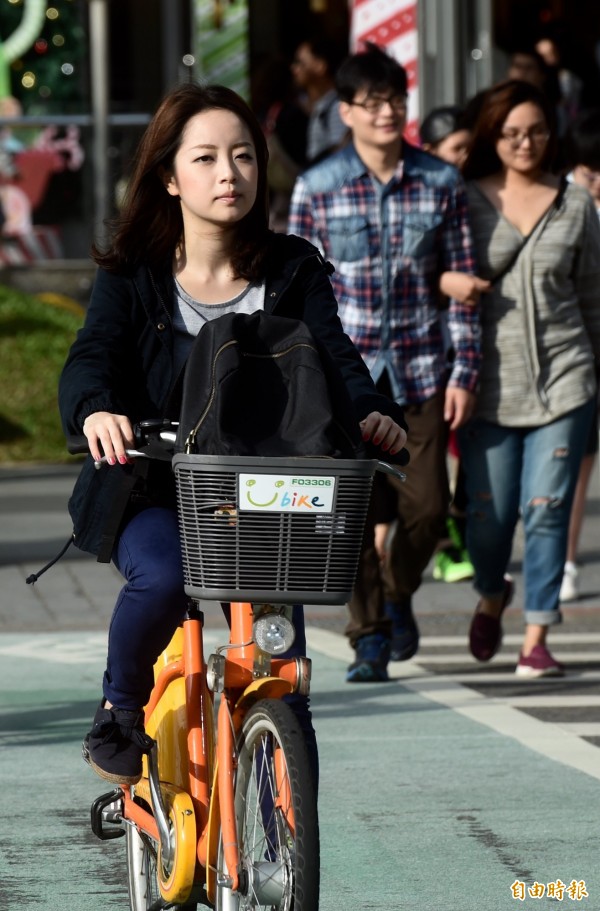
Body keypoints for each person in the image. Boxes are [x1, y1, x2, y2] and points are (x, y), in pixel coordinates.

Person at [58, 82, 408, 785]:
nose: (229, 174)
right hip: (156, 487)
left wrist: (372, 411)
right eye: (208, 157)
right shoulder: (133, 273)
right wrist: (96, 407)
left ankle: (283, 783)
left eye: (244, 156)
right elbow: (92, 354)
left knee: (282, 666)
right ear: (168, 175)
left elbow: (334, 355)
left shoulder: (293, 268)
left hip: (267, 495)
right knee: (164, 578)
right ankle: (120, 708)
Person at [288, 43, 485, 683]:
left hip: (424, 367)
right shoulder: (316, 187)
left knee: (428, 507)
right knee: (345, 514)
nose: (386, 113)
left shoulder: (441, 181)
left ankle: (399, 592)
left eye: (395, 100)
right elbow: (294, 293)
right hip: (346, 376)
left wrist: (466, 371)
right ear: (345, 111)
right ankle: (367, 630)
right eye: (371, 103)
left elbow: (460, 279)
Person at [459, 79, 600, 678]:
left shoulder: (575, 203)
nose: (525, 143)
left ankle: (537, 635)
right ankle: (494, 592)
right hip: (486, 385)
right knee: (487, 523)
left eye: (537, 131)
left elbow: (592, 297)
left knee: (546, 508)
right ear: (492, 135)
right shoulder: (463, 199)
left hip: (565, 381)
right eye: (512, 132)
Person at [557, 108, 600, 601]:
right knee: (567, 465)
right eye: (591, 173)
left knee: (580, 462)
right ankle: (562, 560)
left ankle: (565, 560)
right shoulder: (559, 200)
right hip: (566, 351)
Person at [290, 36, 349, 164]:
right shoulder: (322, 105)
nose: (294, 69)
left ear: (320, 66)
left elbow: (341, 156)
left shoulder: (337, 107)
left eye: (300, 63)